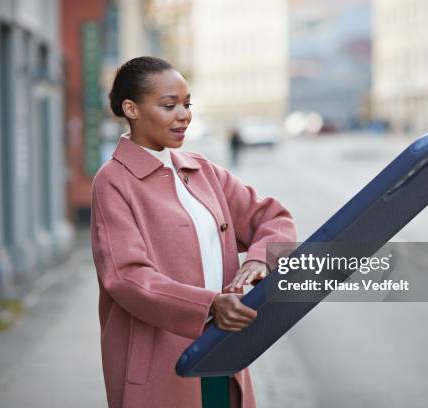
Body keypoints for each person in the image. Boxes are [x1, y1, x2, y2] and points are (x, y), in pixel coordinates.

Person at [90, 56, 297, 408]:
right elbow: (125, 277)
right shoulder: (113, 181)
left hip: (222, 350)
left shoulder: (202, 171)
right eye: (169, 105)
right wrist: (209, 305)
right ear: (132, 109)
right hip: (159, 363)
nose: (184, 115)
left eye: (187, 104)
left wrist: (260, 261)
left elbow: (274, 217)